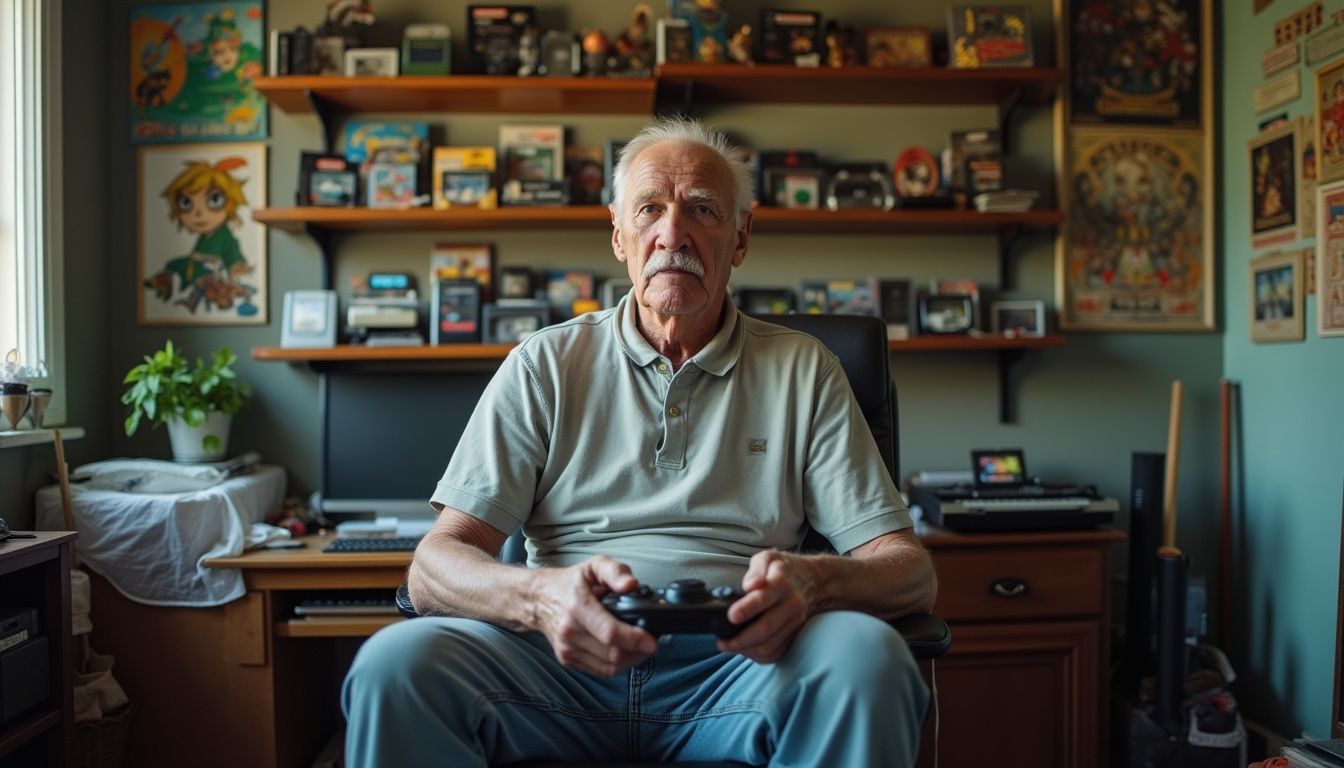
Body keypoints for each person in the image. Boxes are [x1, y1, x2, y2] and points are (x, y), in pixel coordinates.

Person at [342, 116, 938, 768]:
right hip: (557, 664)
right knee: (395, 666)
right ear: (619, 236)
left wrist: (816, 583)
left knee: (867, 660)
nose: (672, 234)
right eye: (649, 209)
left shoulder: (805, 367)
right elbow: (434, 566)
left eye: (703, 210)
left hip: (742, 667)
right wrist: (541, 599)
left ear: (740, 238)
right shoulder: (544, 363)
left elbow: (908, 570)